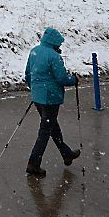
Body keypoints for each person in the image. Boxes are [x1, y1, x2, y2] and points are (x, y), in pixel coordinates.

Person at [24, 27, 81, 177]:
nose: (60, 47)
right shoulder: (54, 57)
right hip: (50, 98)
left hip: (38, 98)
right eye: (59, 44)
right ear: (54, 43)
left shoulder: (34, 51)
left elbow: (27, 74)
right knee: (45, 131)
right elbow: (61, 78)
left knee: (52, 127)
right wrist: (73, 79)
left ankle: (66, 153)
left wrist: (35, 88)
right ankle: (33, 163)